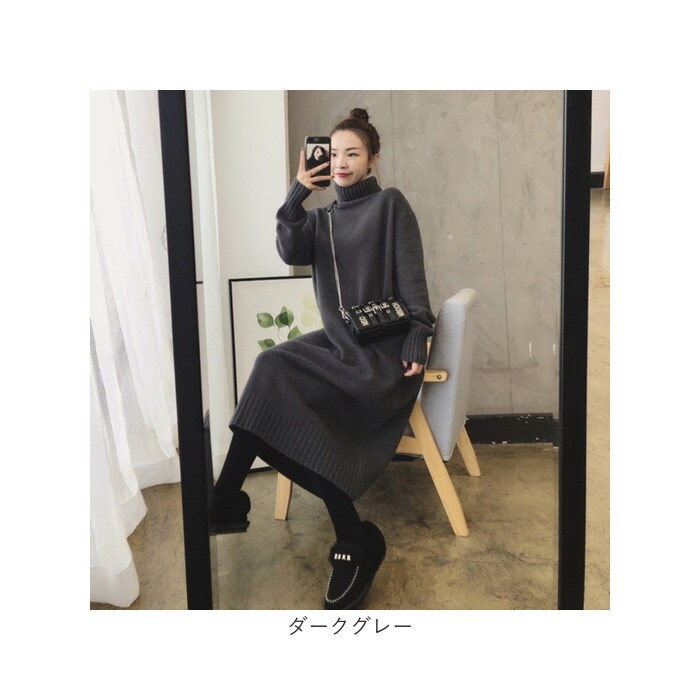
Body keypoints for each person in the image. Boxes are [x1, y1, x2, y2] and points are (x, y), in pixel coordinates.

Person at [212, 107, 436, 610]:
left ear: (373, 159)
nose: (340, 163)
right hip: (340, 346)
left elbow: (413, 280)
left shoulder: (390, 206)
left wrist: (417, 336)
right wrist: (297, 192)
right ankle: (339, 533)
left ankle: (228, 501)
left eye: (352, 154)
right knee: (270, 366)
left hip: (379, 355)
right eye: (332, 154)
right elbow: (290, 249)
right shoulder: (320, 220)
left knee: (279, 382)